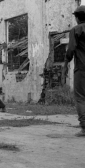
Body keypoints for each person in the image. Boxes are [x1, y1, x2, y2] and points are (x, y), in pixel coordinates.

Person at [62, 5, 85, 137]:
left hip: (82, 68)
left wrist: (65, 64)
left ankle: (84, 127)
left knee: (80, 98)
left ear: (77, 18)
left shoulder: (76, 30)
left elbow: (71, 49)